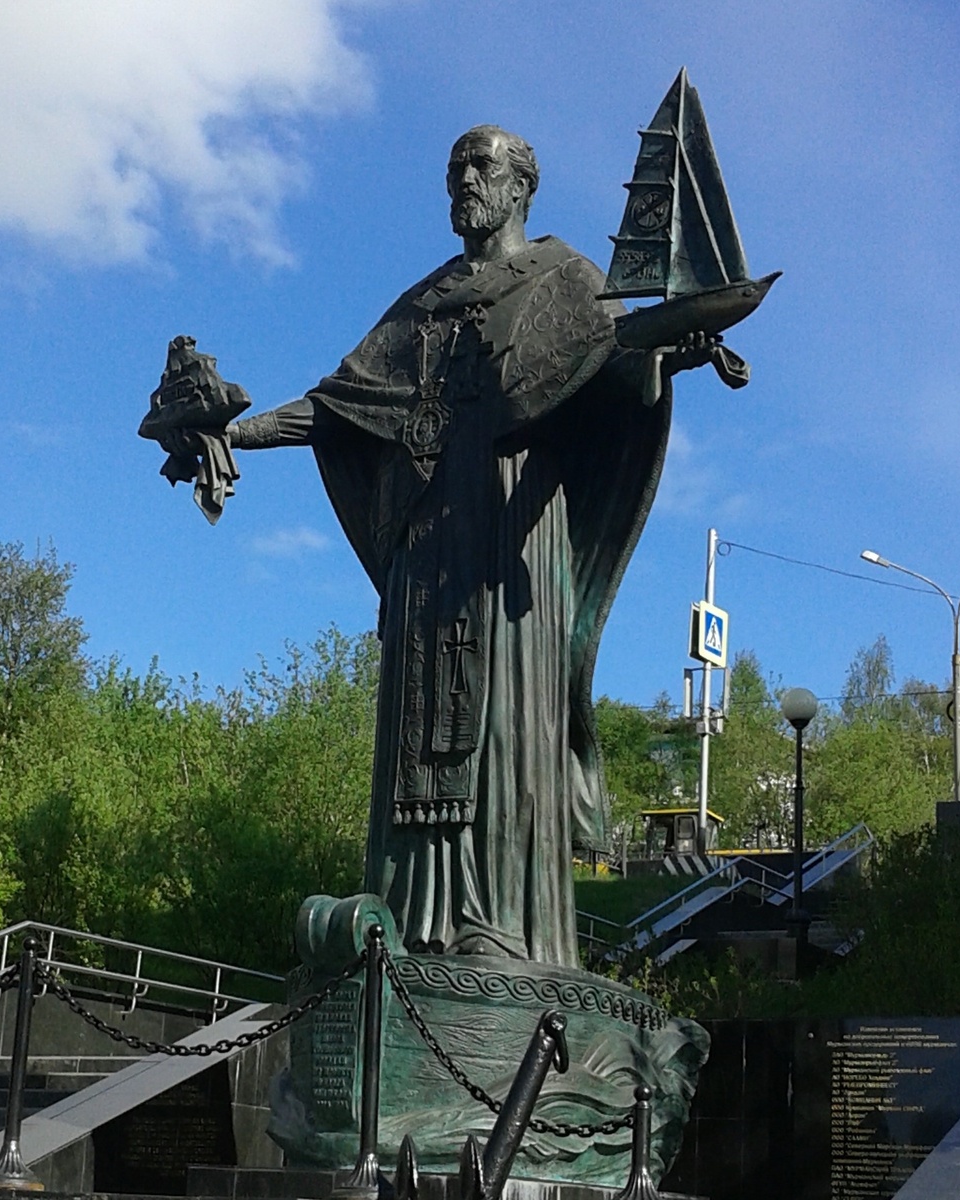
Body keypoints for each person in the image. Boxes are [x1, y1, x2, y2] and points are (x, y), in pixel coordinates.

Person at [216, 125, 713, 966]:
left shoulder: (567, 280)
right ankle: (409, 920)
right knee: (417, 725)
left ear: (522, 187)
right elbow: (337, 406)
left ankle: (505, 924)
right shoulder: (422, 303)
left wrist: (671, 353)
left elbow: (615, 371)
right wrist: (235, 432)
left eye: (481, 165)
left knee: (503, 721)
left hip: (513, 532)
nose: (464, 179)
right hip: (426, 539)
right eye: (454, 167)